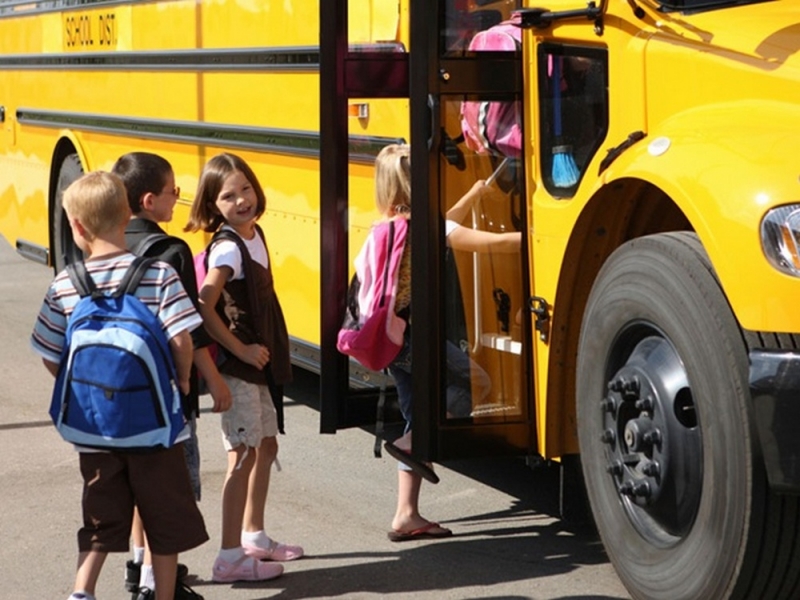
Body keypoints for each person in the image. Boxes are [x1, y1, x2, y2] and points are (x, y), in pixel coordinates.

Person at [30, 171, 209, 600]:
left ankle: (82, 590)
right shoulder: (159, 274)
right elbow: (183, 339)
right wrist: (182, 379)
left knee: (100, 516)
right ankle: (162, 595)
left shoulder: (65, 284)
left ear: (76, 227)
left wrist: (86, 393)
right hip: (156, 429)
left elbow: (51, 352)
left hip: (95, 432)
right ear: (128, 213)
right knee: (163, 519)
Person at [370, 144, 520, 542]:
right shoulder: (424, 227)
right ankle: (414, 441)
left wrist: (473, 195)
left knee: (415, 415)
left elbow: (448, 225)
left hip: (389, 340)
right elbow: (484, 242)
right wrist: (537, 238)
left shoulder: (388, 227)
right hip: (416, 338)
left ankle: (405, 514)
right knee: (477, 383)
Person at [112, 152, 233, 600]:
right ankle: (155, 585)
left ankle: (137, 562)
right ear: (149, 200)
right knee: (171, 488)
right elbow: (187, 330)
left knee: (142, 480)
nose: (177, 198)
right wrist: (211, 382)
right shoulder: (171, 251)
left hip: (120, 389)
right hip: (166, 391)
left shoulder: (108, 242)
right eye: (172, 192)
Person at [184, 152, 302, 583]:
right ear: (213, 206)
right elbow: (203, 304)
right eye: (228, 196)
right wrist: (242, 349)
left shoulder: (253, 233)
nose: (241, 200)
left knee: (266, 445)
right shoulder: (229, 246)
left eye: (246, 189)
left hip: (260, 366)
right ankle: (228, 555)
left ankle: (254, 535)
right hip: (240, 366)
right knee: (242, 454)